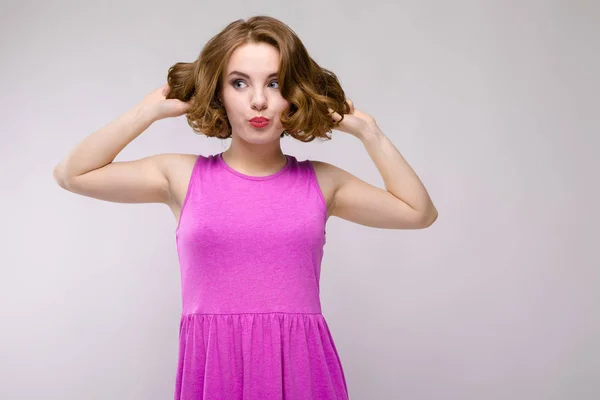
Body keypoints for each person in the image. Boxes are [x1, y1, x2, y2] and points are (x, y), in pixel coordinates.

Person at [53, 15, 437, 400]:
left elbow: (418, 212)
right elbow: (73, 174)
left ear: (294, 93)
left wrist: (370, 133)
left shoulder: (321, 182)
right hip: (213, 369)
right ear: (219, 92)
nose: (259, 100)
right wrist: (146, 112)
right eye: (240, 83)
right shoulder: (182, 177)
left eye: (275, 83)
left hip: (302, 370)